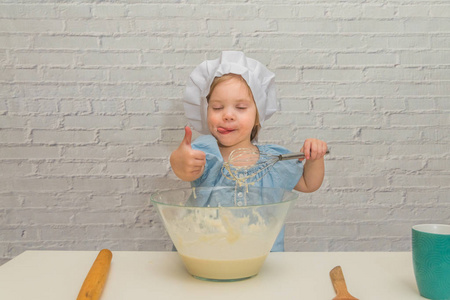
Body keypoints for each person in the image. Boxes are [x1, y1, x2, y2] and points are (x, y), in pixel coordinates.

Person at [170, 51, 327, 251]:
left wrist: (315, 158)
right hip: (206, 256)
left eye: (241, 107)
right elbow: (182, 165)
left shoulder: (274, 160)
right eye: (217, 107)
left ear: (258, 115)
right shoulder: (206, 153)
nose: (227, 115)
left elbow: (308, 183)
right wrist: (180, 159)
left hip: (261, 260)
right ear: (205, 111)